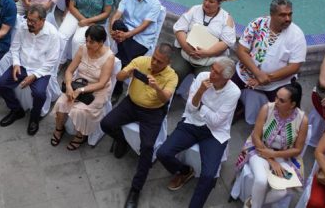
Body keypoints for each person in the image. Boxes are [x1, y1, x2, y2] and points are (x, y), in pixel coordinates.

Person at [156, 57, 240, 208]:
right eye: (212, 68)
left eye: (216, 72)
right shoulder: (202, 76)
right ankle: (184, 171)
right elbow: (190, 108)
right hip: (192, 123)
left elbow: (216, 122)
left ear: (226, 78)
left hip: (214, 133)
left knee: (208, 176)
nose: (211, 73)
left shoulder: (234, 92)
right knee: (163, 153)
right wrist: (200, 91)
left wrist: (200, 104)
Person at [100, 45, 178, 208]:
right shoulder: (141, 61)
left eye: (159, 61)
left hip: (153, 112)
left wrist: (157, 87)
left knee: (147, 147)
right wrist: (126, 73)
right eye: (154, 58)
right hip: (131, 104)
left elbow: (165, 99)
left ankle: (136, 189)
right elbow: (119, 77)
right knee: (106, 124)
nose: (154, 62)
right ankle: (122, 140)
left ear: (168, 62)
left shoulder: (172, 76)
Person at [233, 82, 308, 208]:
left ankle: (251, 202)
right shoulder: (267, 108)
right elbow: (256, 136)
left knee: (282, 192)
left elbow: (298, 149)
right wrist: (271, 160)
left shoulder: (302, 120)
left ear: (292, 104)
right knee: (261, 180)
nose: (276, 101)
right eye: (276, 97)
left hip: (283, 156)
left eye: (281, 100)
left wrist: (275, 155)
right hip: (259, 149)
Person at [0, 5, 61, 135]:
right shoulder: (23, 27)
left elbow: (51, 61)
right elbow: (15, 47)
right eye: (28, 20)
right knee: (1, 84)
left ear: (42, 20)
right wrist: (16, 64)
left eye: (33, 21)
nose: (29, 23)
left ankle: (34, 118)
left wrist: (35, 76)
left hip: (41, 69)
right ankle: (16, 110)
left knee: (39, 94)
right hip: (22, 65)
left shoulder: (52, 34)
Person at [52, 24, 115, 150]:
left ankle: (80, 136)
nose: (88, 44)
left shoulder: (109, 57)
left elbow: (102, 83)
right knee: (61, 102)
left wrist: (81, 90)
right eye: (86, 40)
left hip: (97, 90)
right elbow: (69, 70)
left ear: (101, 42)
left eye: (91, 42)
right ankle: (59, 129)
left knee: (79, 111)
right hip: (79, 83)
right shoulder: (83, 49)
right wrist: (69, 86)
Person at [234, 0, 307, 102]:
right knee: (226, 93)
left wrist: (266, 78)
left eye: (290, 14)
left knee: (281, 107)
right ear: (272, 15)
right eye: (282, 15)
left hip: (277, 83)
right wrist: (258, 74)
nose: (288, 19)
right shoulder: (257, 24)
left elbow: (294, 67)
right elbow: (241, 50)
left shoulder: (297, 35)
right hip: (244, 74)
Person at [171, 0, 235, 81]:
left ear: (219, 3)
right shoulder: (194, 9)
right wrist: (187, 48)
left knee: (205, 80)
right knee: (175, 71)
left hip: (209, 60)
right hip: (185, 52)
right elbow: (179, 29)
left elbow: (226, 42)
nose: (206, 3)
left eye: (211, 2)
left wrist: (207, 53)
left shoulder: (226, 18)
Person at [110, 0, 162, 67]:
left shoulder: (155, 4)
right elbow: (117, 14)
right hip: (126, 30)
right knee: (117, 23)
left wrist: (126, 35)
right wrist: (111, 30)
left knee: (122, 58)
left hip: (142, 37)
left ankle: (121, 60)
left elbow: (144, 26)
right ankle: (123, 60)